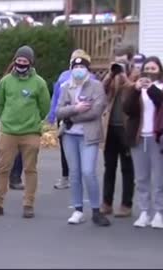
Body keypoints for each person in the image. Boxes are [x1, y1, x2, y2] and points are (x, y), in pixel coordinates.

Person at [0, 45, 51, 219]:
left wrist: (35, 121)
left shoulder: (39, 83)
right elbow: (0, 103)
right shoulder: (6, 81)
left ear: (31, 63)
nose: (21, 64)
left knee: (30, 170)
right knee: (2, 169)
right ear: (15, 61)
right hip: (8, 132)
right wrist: (6, 118)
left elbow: (45, 107)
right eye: (19, 61)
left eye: (25, 61)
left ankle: (28, 204)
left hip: (31, 132)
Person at [56, 56, 110, 226]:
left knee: (88, 172)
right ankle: (78, 209)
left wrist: (72, 118)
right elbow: (59, 111)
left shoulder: (97, 86)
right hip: (70, 135)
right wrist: (75, 109)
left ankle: (96, 210)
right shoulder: (66, 86)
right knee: (74, 173)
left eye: (82, 66)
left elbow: (96, 111)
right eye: (75, 66)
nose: (78, 69)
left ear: (87, 69)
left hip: (89, 135)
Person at [122, 56, 163, 229]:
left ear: (160, 70)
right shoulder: (136, 88)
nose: (150, 72)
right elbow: (127, 109)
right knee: (141, 177)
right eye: (147, 68)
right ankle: (145, 211)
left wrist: (151, 88)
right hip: (139, 138)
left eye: (154, 69)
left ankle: (159, 212)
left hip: (157, 138)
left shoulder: (159, 88)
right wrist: (136, 90)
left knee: (159, 178)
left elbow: (160, 101)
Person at [48, 49, 96, 190]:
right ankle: (65, 177)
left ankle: (83, 177)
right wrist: (52, 115)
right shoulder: (64, 76)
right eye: (74, 60)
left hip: (83, 118)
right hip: (65, 116)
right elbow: (56, 96)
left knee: (83, 148)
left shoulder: (92, 78)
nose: (77, 66)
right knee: (65, 149)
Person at [100, 44, 138, 217]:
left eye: (122, 61)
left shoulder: (137, 74)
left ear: (130, 59)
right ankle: (106, 203)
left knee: (127, 168)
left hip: (127, 128)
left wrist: (124, 77)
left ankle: (126, 204)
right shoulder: (113, 73)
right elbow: (101, 91)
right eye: (117, 61)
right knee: (109, 167)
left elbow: (134, 92)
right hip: (111, 128)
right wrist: (110, 75)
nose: (119, 64)